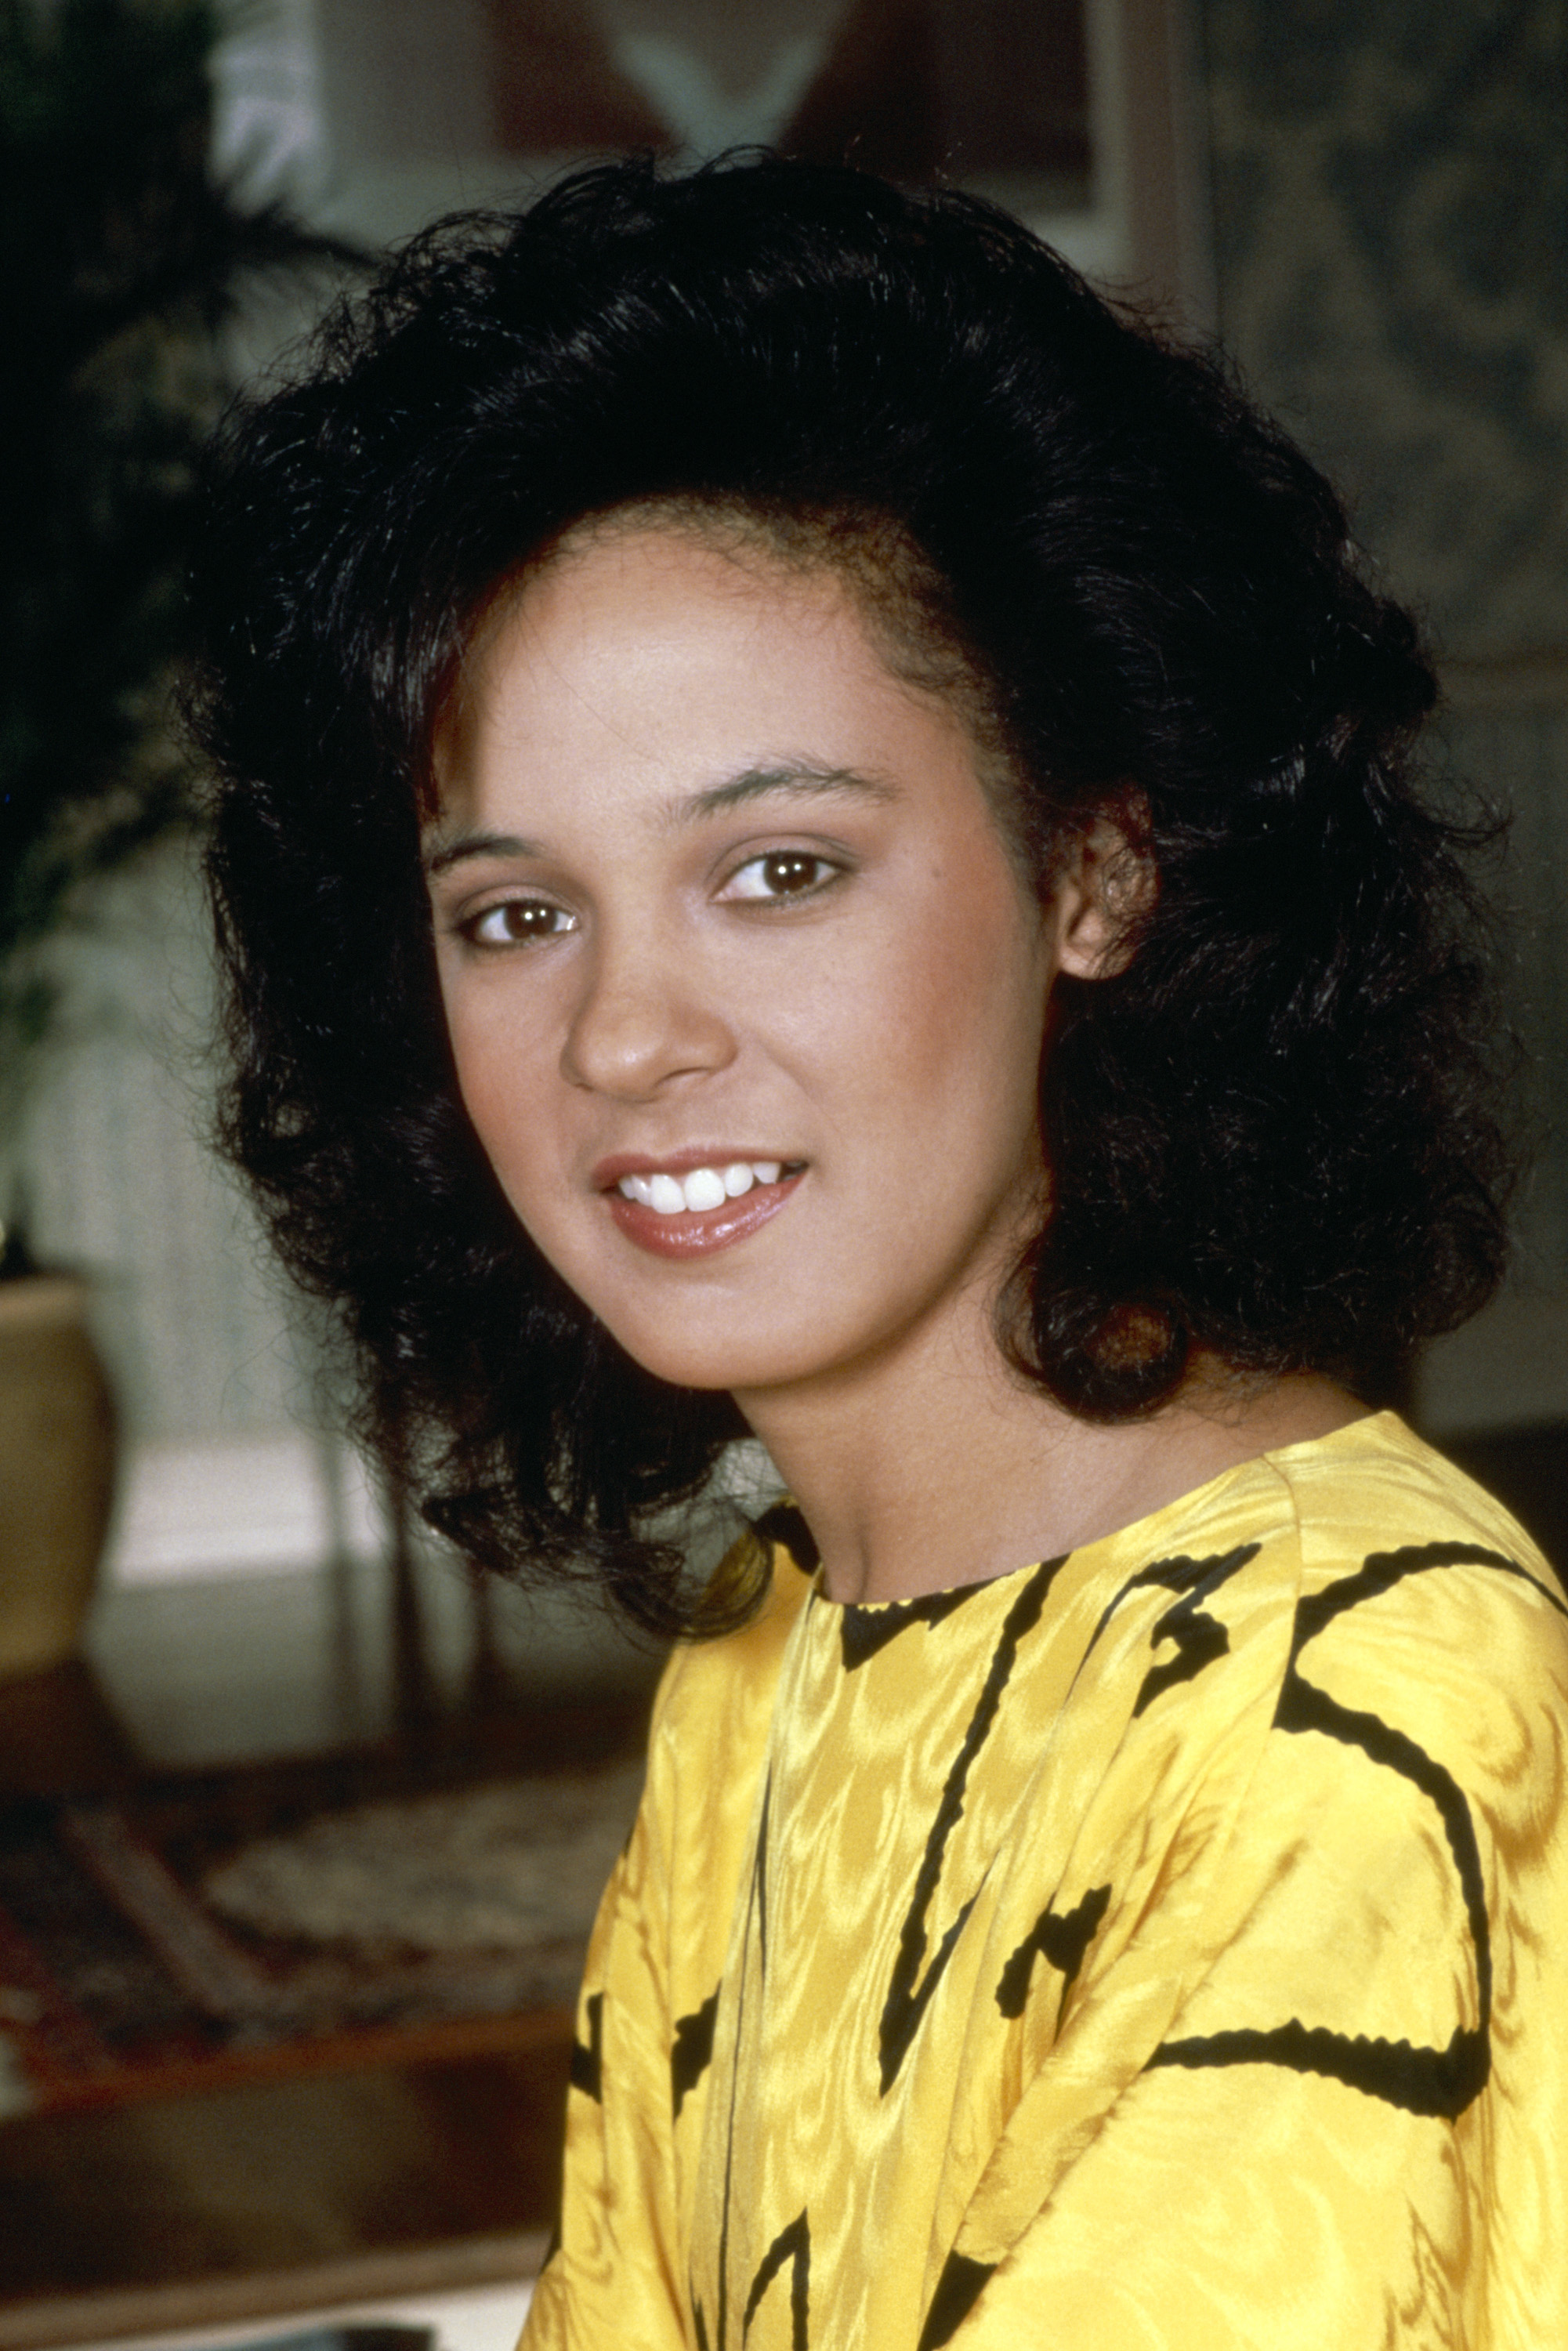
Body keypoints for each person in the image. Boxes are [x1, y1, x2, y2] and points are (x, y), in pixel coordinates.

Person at [188, 155, 1568, 2349]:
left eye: (778, 870)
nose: (625, 1035)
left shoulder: (1361, 1701)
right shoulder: (779, 1647)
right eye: (514, 915)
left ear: (1096, 871)